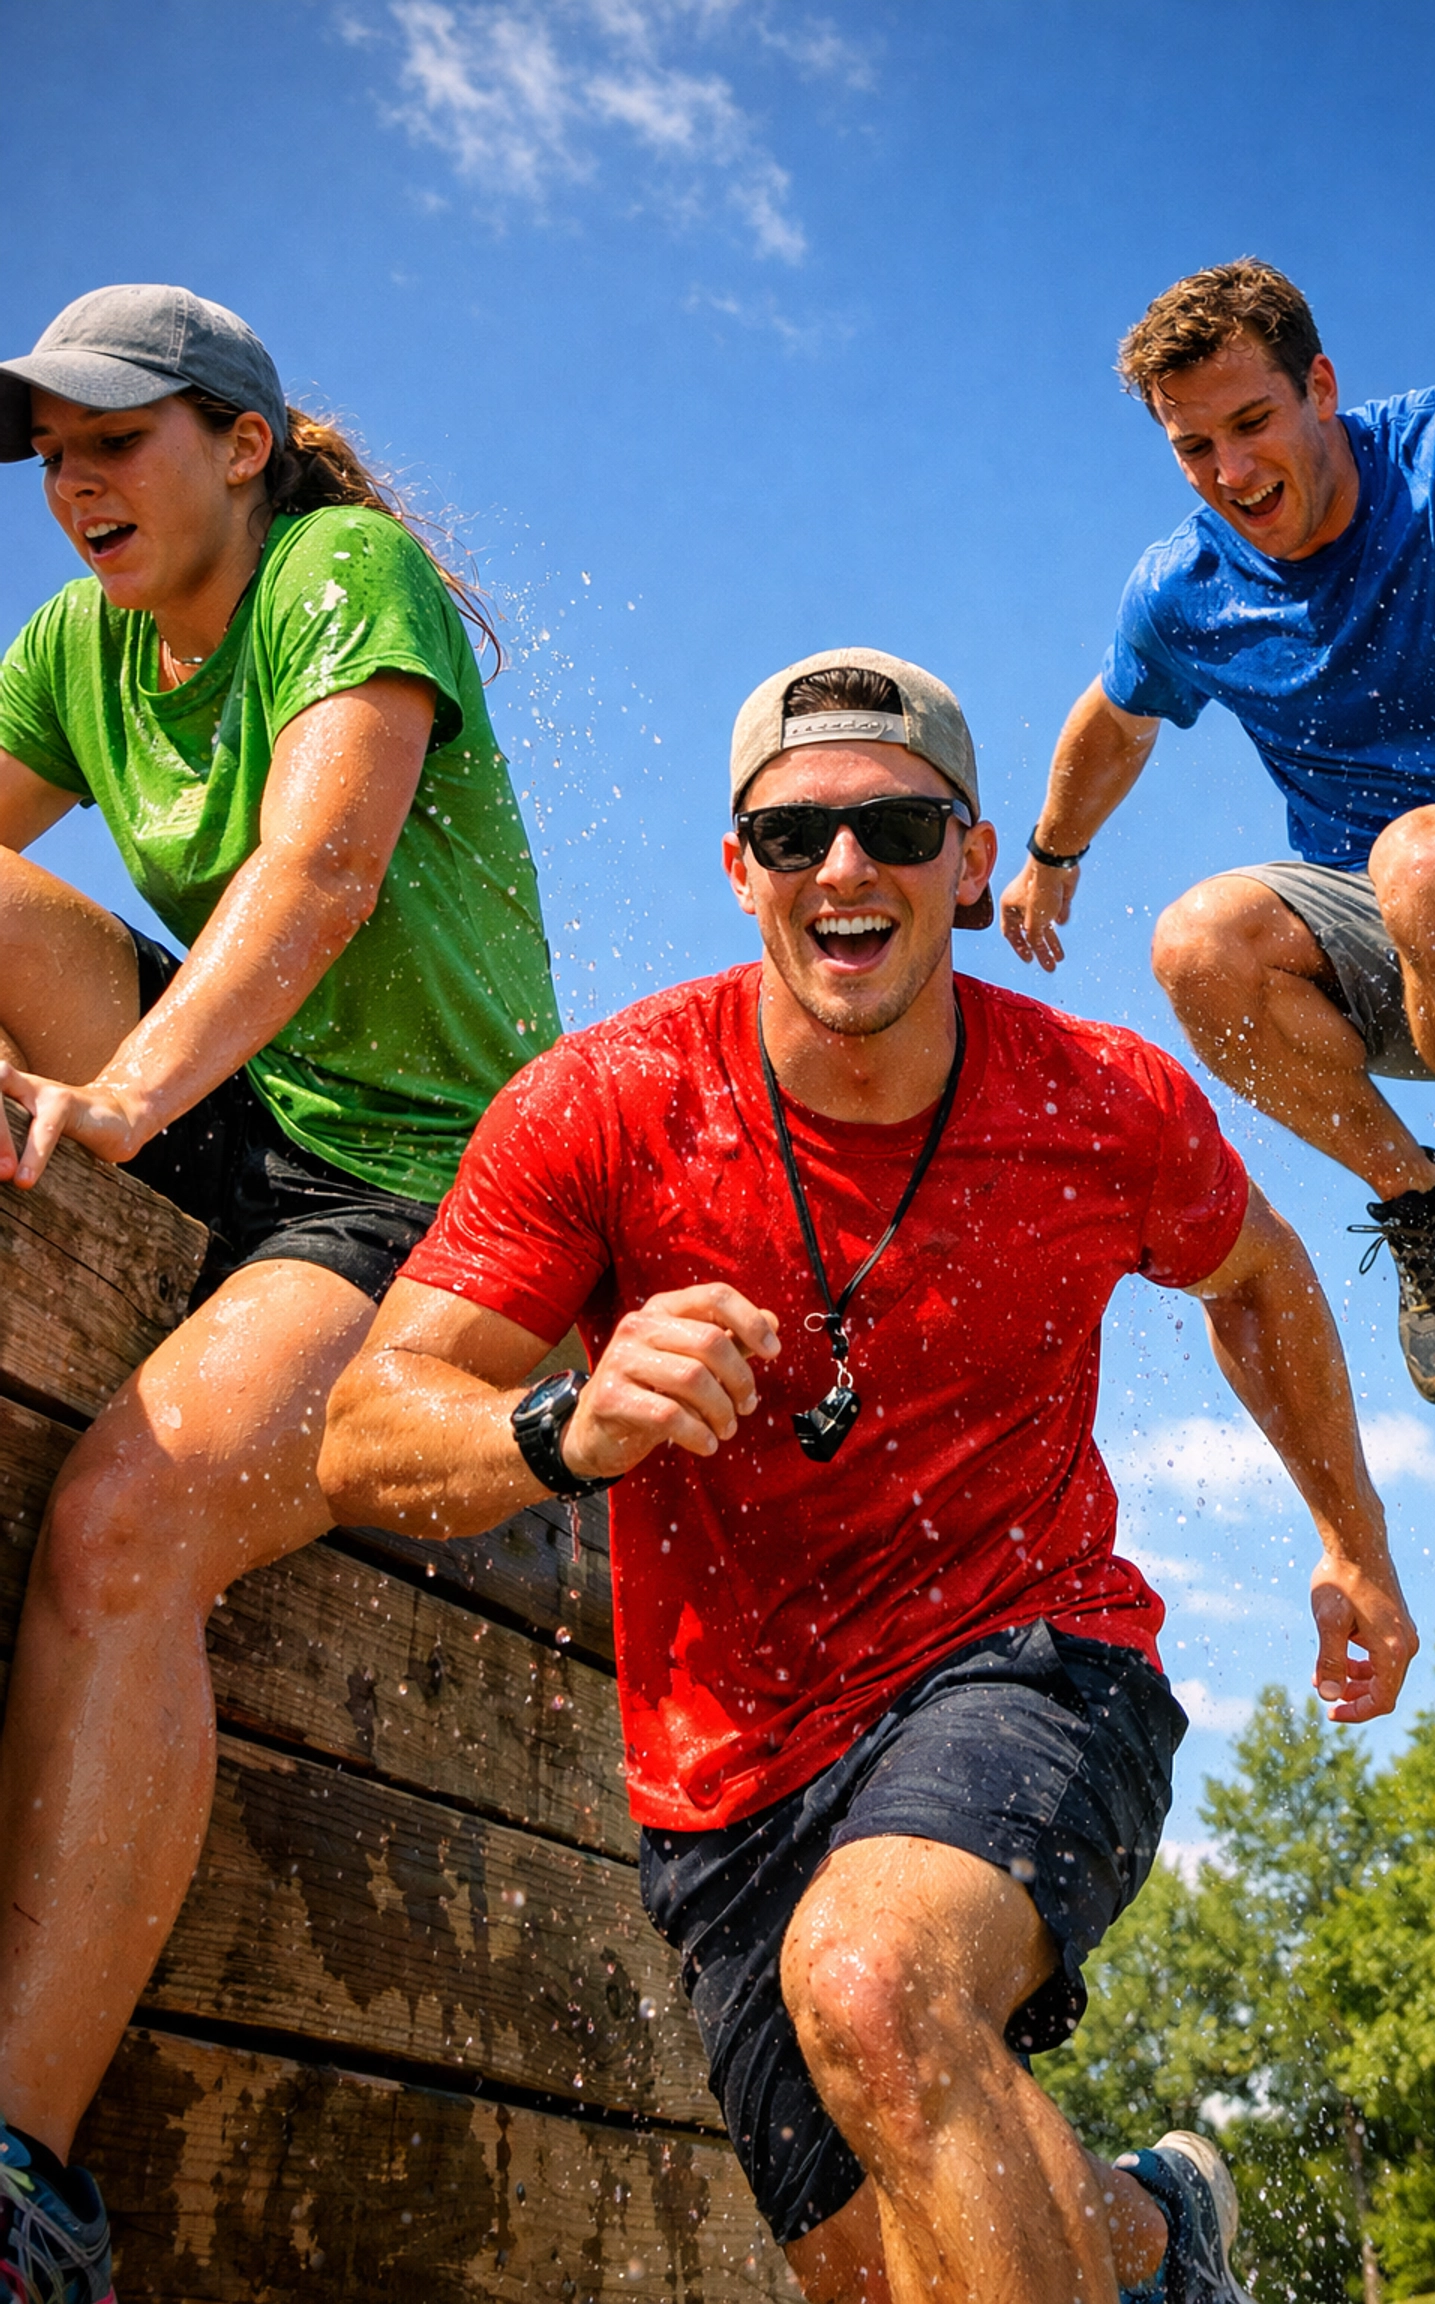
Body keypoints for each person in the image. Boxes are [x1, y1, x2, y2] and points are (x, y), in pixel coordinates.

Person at [320, 648, 1416, 2304]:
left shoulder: (1103, 1097)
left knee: (874, 1977)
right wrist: (561, 1423)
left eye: (898, 826)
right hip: (731, 1781)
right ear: (737, 865)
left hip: (1036, 1659)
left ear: (972, 862)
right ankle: (1161, 2232)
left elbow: (1258, 1272)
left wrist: (1354, 1537)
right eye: (793, 833)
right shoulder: (606, 1109)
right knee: (882, 2249)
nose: (846, 868)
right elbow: (361, 1430)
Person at [0, 283, 560, 2303]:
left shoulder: (348, 572)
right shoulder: (75, 646)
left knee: (125, 1532)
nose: (73, 484)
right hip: (250, 1104)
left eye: (114, 440)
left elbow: (317, 884)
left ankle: (20, 2186)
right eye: (47, 452)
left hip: (438, 1186)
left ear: (239, 440)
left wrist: (115, 1098)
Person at [1000, 257, 1435, 1446]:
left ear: (1322, 387)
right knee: (1199, 945)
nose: (1232, 475)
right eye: (1196, 449)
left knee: (1430, 861)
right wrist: (1050, 854)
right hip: (1404, 938)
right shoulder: (1188, 587)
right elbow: (1117, 717)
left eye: (1252, 424)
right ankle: (1426, 1205)